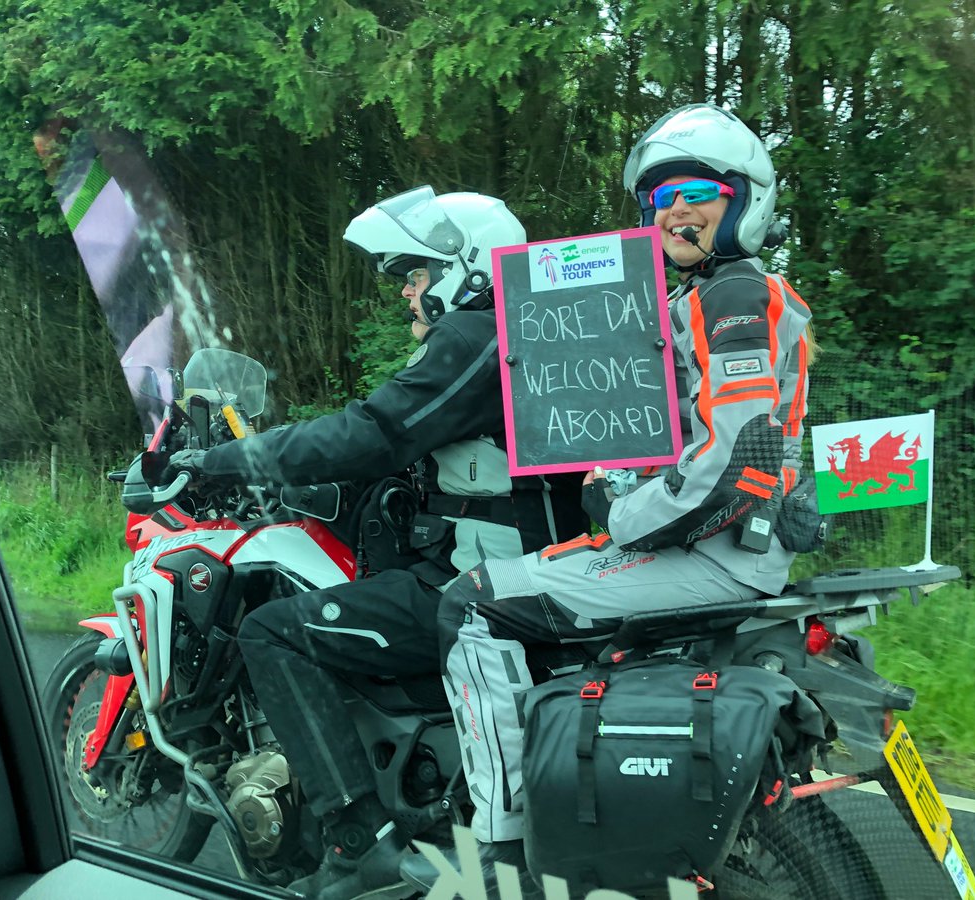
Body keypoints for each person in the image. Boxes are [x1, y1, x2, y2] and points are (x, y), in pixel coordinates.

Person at [400, 104, 818, 894]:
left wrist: (620, 517)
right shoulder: (715, 299)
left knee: (473, 604)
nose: (679, 211)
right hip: (726, 548)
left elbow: (734, 463)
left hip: (708, 554)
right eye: (662, 200)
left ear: (745, 199)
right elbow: (740, 438)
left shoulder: (732, 297)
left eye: (700, 192)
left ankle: (504, 848)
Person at [163, 185, 587, 899]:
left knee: (274, 632)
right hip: (533, 571)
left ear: (467, 268)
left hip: (476, 587)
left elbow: (373, 431)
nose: (407, 295)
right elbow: (419, 451)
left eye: (415, 276)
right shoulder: (534, 340)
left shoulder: (480, 336)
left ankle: (360, 843)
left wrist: (224, 460)